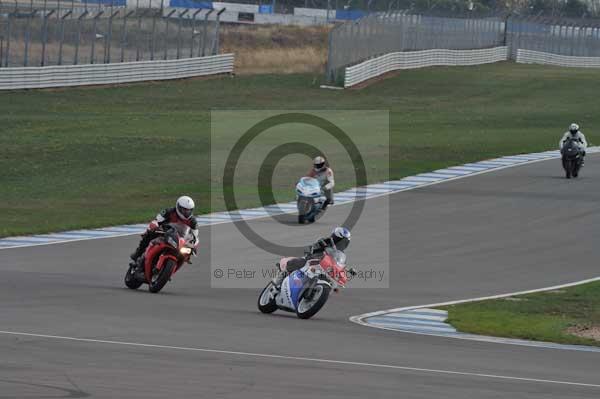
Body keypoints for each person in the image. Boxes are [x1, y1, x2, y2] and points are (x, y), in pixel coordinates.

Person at [272, 227, 351, 288]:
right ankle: (278, 281)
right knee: (296, 263)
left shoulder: (340, 254)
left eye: (344, 242)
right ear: (334, 237)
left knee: (331, 282)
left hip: (324, 269)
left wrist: (344, 270)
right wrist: (320, 246)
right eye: (339, 240)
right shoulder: (324, 241)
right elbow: (313, 247)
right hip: (311, 260)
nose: (341, 243)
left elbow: (339, 264)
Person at [129, 196, 197, 267]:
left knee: (186, 254)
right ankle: (138, 254)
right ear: (178, 207)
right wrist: (153, 226)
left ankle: (168, 272)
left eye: (189, 210)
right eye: (184, 210)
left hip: (180, 239)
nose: (186, 212)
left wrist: (193, 246)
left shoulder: (193, 221)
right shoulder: (169, 211)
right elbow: (157, 220)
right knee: (149, 234)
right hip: (164, 232)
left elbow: (195, 236)